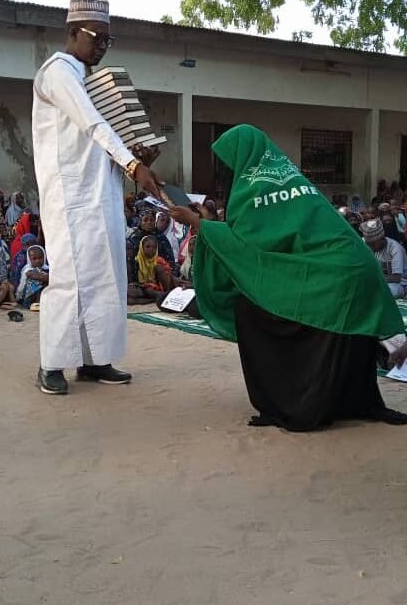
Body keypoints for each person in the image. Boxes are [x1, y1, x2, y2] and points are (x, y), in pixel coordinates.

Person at [170, 124, 407, 431]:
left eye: (224, 164)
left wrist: (199, 225)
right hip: (354, 272)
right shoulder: (292, 182)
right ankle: (354, 400)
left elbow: (247, 249)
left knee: (251, 310)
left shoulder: (252, 191)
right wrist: (212, 222)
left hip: (332, 279)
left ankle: (294, 402)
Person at [32, 0, 160, 395]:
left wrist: (136, 157)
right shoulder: (58, 72)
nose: (103, 45)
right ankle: (51, 364)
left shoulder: (88, 79)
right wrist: (133, 164)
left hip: (101, 192)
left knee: (107, 276)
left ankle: (94, 360)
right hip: (69, 198)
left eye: (108, 38)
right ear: (73, 31)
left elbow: (101, 140)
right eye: (96, 36)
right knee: (70, 279)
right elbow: (91, 125)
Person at [361, 218, 407, 299]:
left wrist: (372, 281)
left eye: (373, 244)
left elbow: (396, 278)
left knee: (389, 291)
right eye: (368, 244)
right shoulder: (364, 243)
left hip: (398, 284)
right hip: (375, 281)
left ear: (382, 238)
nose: (370, 247)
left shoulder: (395, 248)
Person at [128, 236, 173, 303]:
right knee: (130, 294)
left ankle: (166, 294)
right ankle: (154, 299)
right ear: (141, 248)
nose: (151, 249)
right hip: (142, 287)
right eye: (148, 247)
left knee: (159, 268)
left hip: (158, 287)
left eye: (154, 247)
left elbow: (169, 276)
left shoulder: (159, 260)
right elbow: (134, 281)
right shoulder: (136, 261)